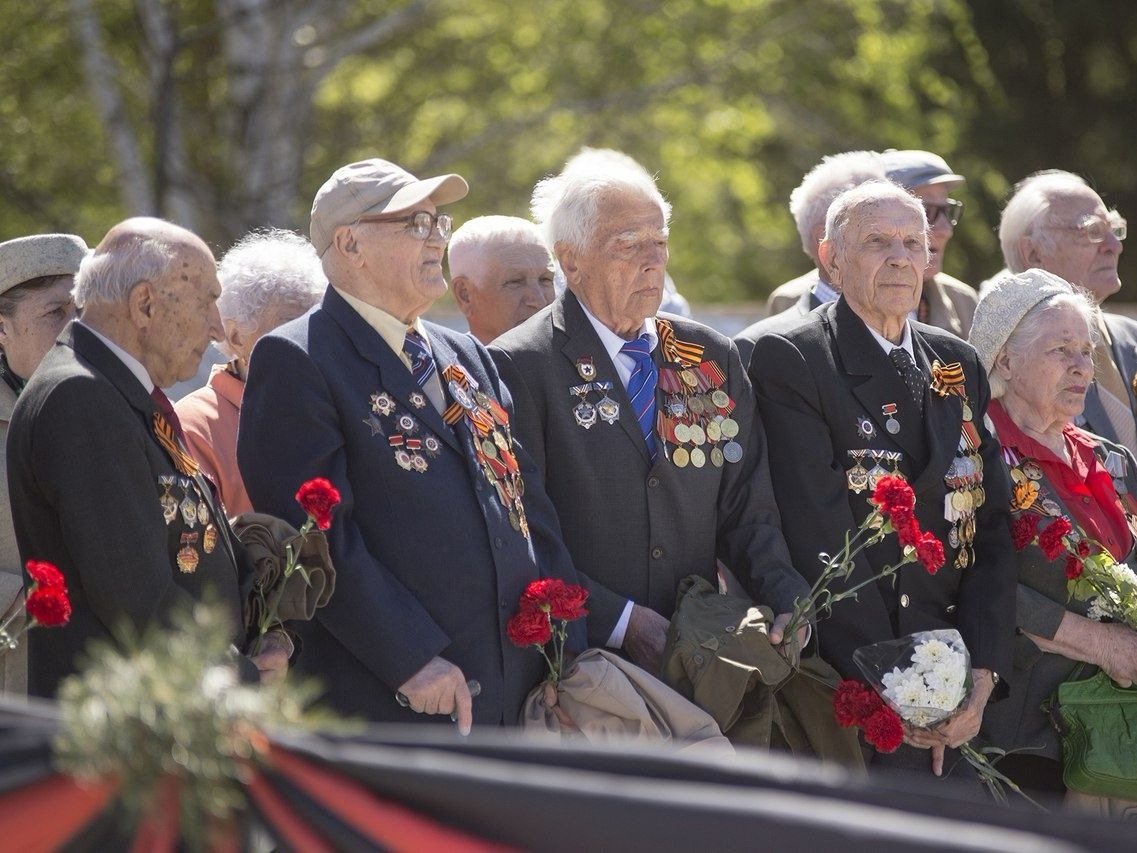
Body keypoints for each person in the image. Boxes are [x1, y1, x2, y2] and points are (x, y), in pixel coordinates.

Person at [237, 158, 583, 732]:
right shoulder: (297, 359)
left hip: (518, 687)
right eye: (414, 224)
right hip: (399, 699)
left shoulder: (464, 354)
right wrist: (409, 659)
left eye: (438, 223)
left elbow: (526, 504)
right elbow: (320, 538)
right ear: (350, 245)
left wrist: (567, 647)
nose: (435, 241)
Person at [490, 150, 810, 677]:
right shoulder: (520, 364)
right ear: (570, 260)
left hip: (700, 654)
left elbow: (747, 506)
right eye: (628, 245)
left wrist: (784, 592)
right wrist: (620, 621)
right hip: (582, 666)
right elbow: (526, 532)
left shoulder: (710, 354)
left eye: (658, 242)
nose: (652, 260)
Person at [750, 181, 1016, 780]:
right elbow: (821, 538)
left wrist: (979, 675)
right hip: (859, 687)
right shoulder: (793, 359)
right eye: (876, 242)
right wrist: (907, 686)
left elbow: (991, 527)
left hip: (956, 688)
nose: (899, 257)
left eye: (912, 242)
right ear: (831, 258)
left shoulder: (957, 361)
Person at [6, 218, 288, 698]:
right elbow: (133, 595)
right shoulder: (81, 395)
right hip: (126, 733)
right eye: (206, 302)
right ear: (144, 304)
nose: (217, 326)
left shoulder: (111, 387)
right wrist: (242, 675)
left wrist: (268, 624)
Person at [969, 269, 1137, 807]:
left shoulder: (1108, 458)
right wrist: (1102, 643)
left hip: (1117, 730)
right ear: (1005, 359)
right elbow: (963, 580)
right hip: (1027, 736)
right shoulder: (971, 455)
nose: (1082, 367)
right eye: (1061, 349)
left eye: (1086, 351)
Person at [175, 229, 325, 516]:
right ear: (235, 336)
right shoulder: (194, 426)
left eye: (315, 325)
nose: (306, 340)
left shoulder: (332, 405)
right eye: (289, 326)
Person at [997, 170, 1137, 458]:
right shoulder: (1010, 360)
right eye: (1093, 231)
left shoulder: (1131, 338)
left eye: (1114, 228)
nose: (1114, 246)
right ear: (1033, 252)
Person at [0, 233, 86, 694]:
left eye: (83, 312)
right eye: (56, 313)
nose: (75, 328)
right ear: (1, 328)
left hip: (103, 679)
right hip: (16, 674)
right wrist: (22, 602)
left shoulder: (112, 403)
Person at [740, 150, 885, 365]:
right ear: (826, 242)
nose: (899, 255)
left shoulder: (917, 335)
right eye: (876, 236)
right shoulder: (759, 347)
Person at [880, 149, 977, 338]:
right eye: (925, 212)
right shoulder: (813, 301)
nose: (945, 230)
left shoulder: (965, 303)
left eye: (948, 211)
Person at [447, 215, 556, 345]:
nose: (540, 300)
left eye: (545, 280)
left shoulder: (579, 359)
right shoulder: (440, 364)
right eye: (515, 282)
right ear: (465, 295)